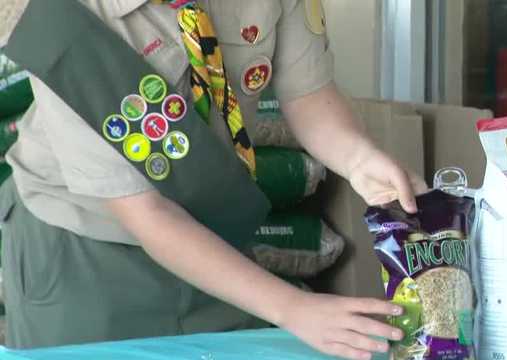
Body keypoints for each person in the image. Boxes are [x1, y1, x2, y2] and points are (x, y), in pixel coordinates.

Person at [0, 1, 427, 359]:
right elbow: (145, 212)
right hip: (82, 250)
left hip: (209, 230)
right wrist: (292, 307)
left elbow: (307, 92)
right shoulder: (69, 14)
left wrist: (358, 159)